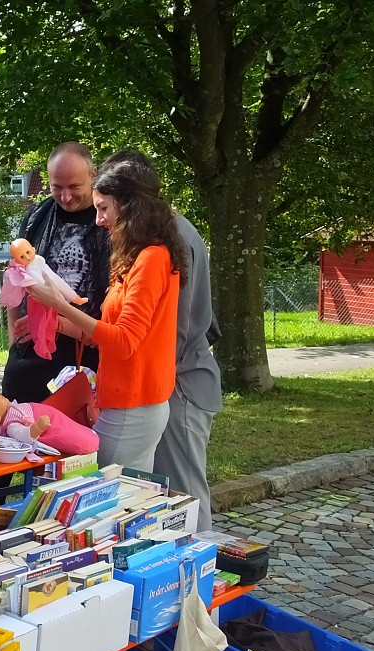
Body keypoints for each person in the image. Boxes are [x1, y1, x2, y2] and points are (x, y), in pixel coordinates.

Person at [26, 151, 188, 471]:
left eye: (103, 208)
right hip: (127, 405)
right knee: (128, 500)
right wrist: (57, 323)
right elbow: (106, 332)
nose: (98, 219)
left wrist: (60, 304)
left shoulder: (151, 258)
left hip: (132, 406)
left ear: (129, 207)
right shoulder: (139, 257)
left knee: (104, 494)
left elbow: (124, 341)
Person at [98, 151, 222, 531]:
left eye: (106, 207)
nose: (101, 219)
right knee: (162, 498)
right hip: (173, 381)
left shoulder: (167, 242)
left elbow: (170, 329)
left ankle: (203, 580)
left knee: (184, 497)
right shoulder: (168, 233)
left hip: (180, 383)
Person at [1, 142, 111, 403]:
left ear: (93, 175)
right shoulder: (37, 216)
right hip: (29, 355)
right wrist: (13, 337)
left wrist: (60, 324)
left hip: (83, 360)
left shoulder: (109, 220)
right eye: (56, 187)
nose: (65, 196)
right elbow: (15, 274)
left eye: (74, 187)